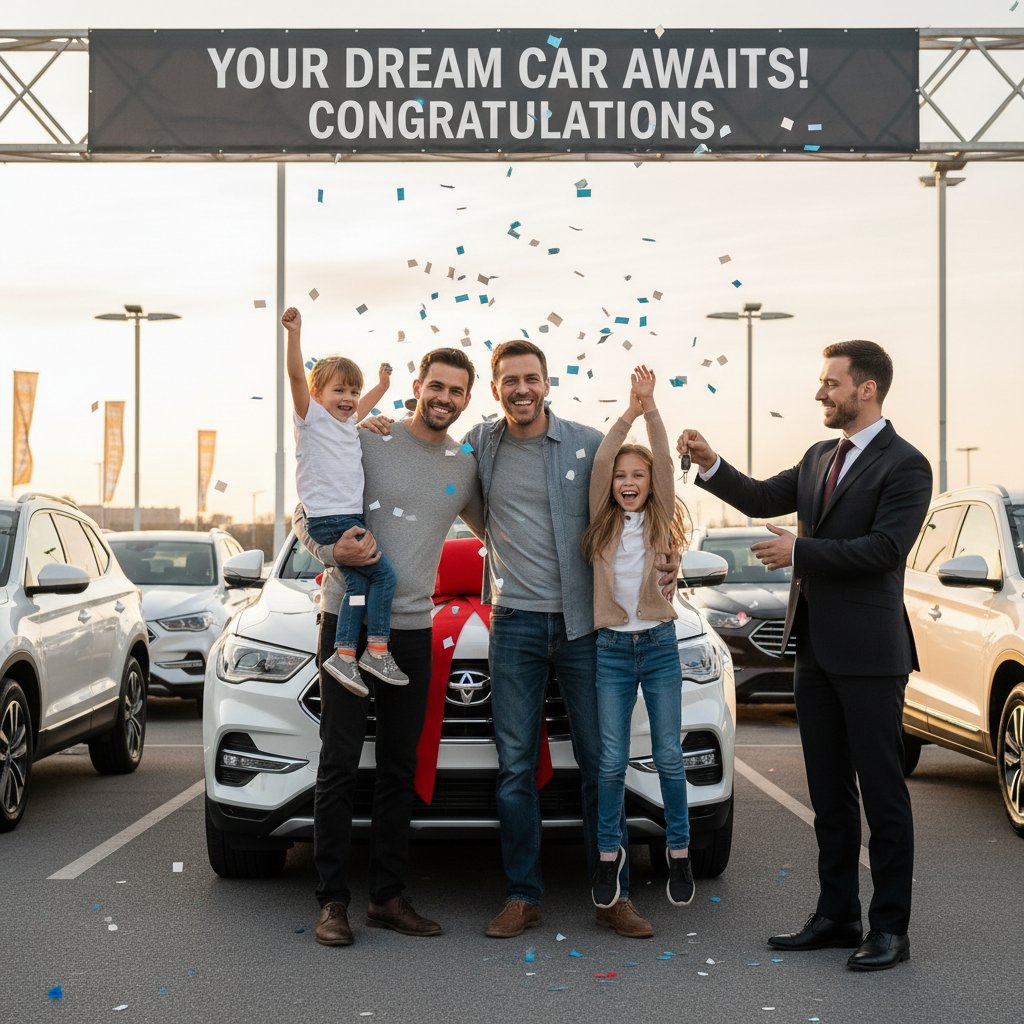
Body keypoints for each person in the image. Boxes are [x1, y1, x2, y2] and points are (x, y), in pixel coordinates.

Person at [678, 339, 932, 972]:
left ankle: (891, 930)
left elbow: (884, 549)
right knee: (829, 792)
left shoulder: (907, 465)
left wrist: (801, 553)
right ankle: (837, 914)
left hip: (873, 654)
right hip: (814, 649)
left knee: (882, 794)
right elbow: (765, 497)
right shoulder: (821, 455)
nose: (821, 393)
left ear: (866, 389)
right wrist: (712, 465)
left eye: (831, 383)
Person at [463, 339, 678, 941]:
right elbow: (433, 469)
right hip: (515, 623)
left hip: (589, 629)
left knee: (600, 765)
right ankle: (522, 895)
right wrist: (377, 418)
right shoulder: (480, 445)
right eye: (510, 380)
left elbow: (647, 494)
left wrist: (666, 553)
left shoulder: (588, 444)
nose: (521, 389)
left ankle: (611, 895)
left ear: (548, 383)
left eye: (531, 378)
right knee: (514, 767)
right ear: (496, 388)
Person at [295, 347, 483, 948]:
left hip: (412, 630)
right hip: (344, 623)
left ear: (466, 400)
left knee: (399, 767)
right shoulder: (367, 437)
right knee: (339, 764)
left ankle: (386, 897)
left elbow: (511, 529)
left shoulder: (466, 466)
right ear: (417, 386)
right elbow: (307, 512)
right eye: (436, 386)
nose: (444, 398)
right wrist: (330, 554)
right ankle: (332, 902)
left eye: (456, 391)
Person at [582, 366, 694, 916]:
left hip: (658, 645)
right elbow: (601, 460)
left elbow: (666, 461)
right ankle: (608, 856)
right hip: (612, 652)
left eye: (639, 476)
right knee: (610, 762)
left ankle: (678, 849)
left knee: (669, 757)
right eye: (623, 476)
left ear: (651, 486)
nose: (628, 481)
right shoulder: (601, 523)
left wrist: (651, 409)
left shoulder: (657, 524)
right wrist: (627, 408)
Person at [283, 305, 406, 696]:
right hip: (330, 520)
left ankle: (344, 654)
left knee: (356, 582)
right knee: (384, 575)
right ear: (317, 395)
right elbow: (294, 375)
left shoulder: (349, 423)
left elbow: (365, 403)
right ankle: (377, 648)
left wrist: (383, 385)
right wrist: (294, 334)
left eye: (353, 391)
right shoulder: (311, 418)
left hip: (347, 516)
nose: (350, 398)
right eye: (340, 391)